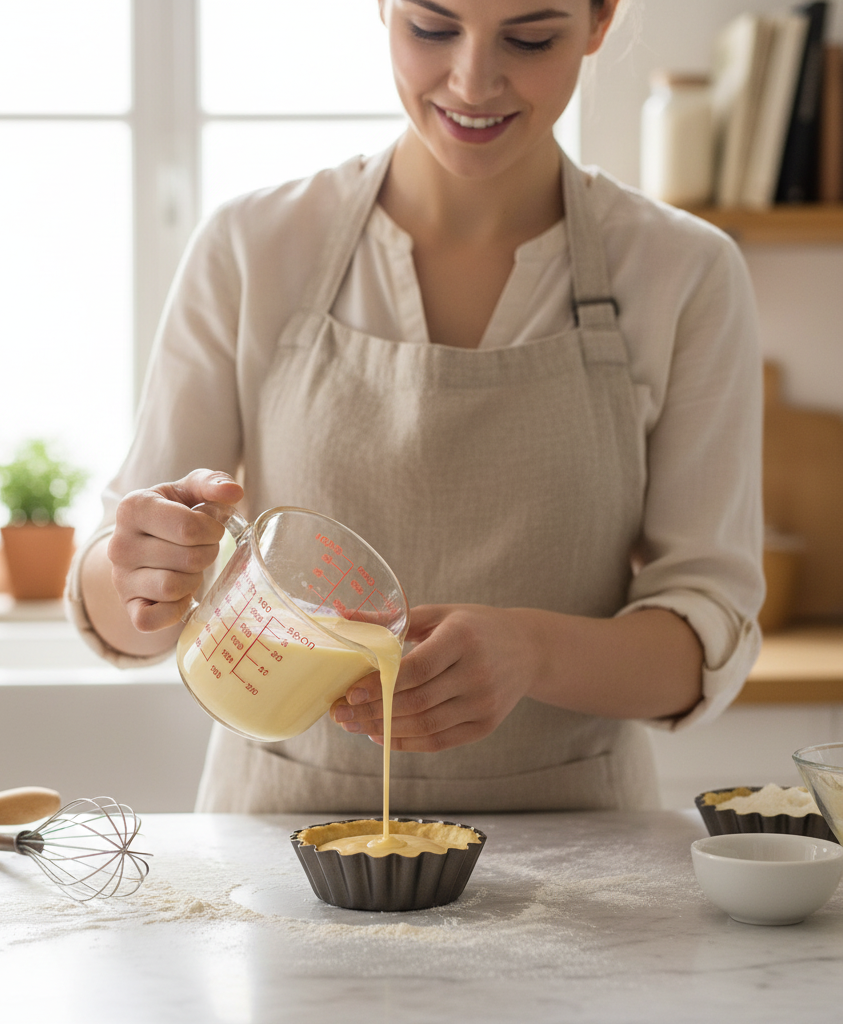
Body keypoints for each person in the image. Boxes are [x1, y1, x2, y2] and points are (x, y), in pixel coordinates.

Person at [68, 0, 764, 814]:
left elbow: (704, 635)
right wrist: (146, 566)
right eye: (432, 28)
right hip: (278, 835)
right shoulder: (252, 245)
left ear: (601, 20)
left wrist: (533, 651)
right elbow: (124, 610)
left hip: (577, 841)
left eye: (530, 38)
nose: (473, 80)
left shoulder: (687, 273)